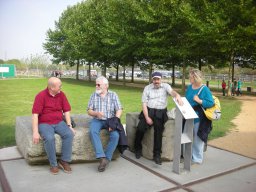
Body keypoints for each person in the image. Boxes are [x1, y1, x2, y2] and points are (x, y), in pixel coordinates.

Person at [134, 71, 183, 165]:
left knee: (158, 131)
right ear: (152, 79)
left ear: (161, 79)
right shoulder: (147, 88)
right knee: (140, 128)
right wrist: (147, 117)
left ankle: (157, 155)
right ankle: (137, 149)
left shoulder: (166, 86)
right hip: (148, 110)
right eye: (154, 79)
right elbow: (144, 104)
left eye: (158, 79)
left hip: (161, 112)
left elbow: (172, 92)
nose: (156, 81)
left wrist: (177, 96)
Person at [32, 77, 75, 175]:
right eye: (59, 86)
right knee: (49, 138)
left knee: (69, 134)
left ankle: (64, 161)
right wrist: (35, 131)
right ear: (51, 87)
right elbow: (35, 115)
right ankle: (53, 164)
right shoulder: (40, 96)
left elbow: (67, 110)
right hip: (44, 123)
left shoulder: (61, 95)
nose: (61, 87)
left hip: (59, 122)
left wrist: (69, 125)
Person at [87, 76, 123, 172]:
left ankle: (107, 159)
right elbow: (89, 110)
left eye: (98, 84)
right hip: (97, 120)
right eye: (96, 84)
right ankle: (101, 157)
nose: (96, 86)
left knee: (115, 135)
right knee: (92, 131)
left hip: (110, 119)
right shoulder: (93, 95)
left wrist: (115, 121)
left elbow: (119, 109)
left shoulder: (113, 95)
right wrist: (96, 113)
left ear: (106, 85)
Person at [185, 69, 214, 164]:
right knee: (187, 136)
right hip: (188, 115)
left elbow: (211, 103)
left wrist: (199, 101)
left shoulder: (204, 89)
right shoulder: (190, 87)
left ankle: (197, 159)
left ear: (195, 78)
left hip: (199, 118)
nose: (189, 78)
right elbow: (186, 99)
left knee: (198, 139)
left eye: (190, 77)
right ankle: (188, 155)